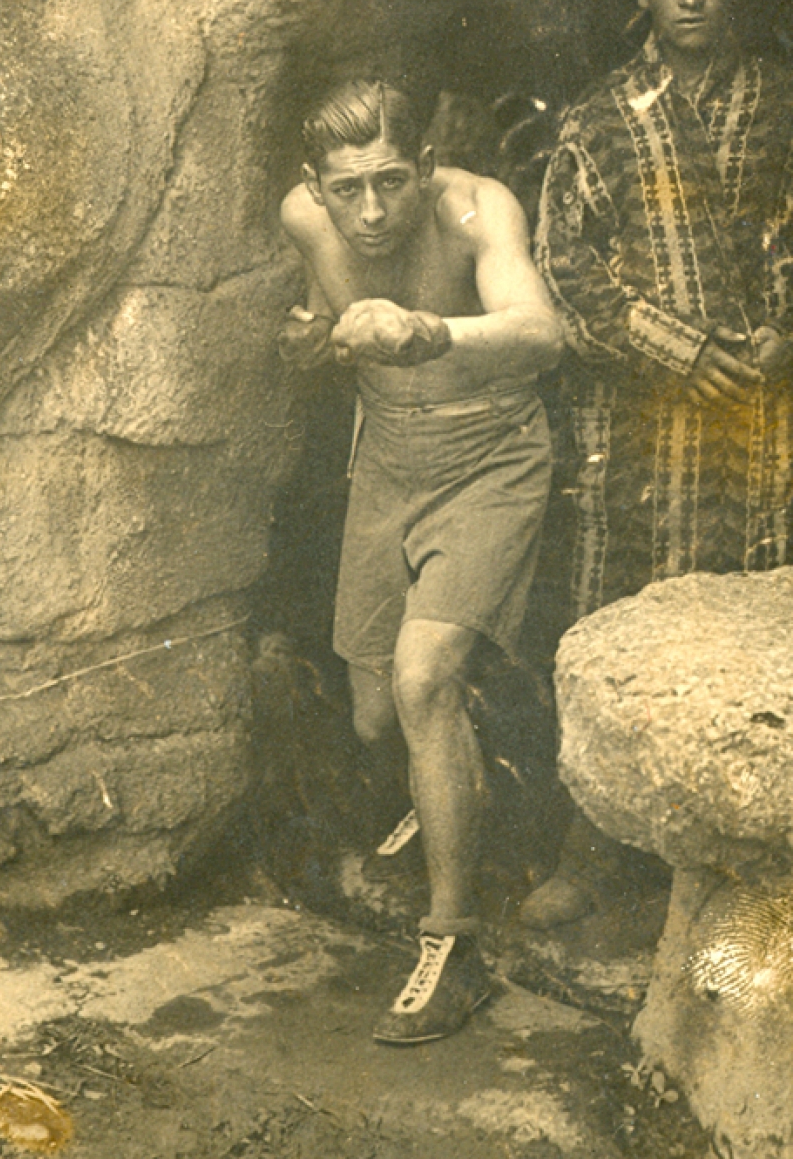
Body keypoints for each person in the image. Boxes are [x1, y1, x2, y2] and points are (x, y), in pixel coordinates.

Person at [525, 0, 793, 928]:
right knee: (621, 621)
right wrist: (675, 349)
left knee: (755, 627)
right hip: (645, 427)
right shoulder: (598, 119)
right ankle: (591, 851)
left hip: (765, 417)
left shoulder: (779, 101)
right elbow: (566, 265)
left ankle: (748, 880)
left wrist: (781, 331)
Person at [278, 79, 563, 1042]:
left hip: (490, 458)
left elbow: (540, 332)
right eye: (347, 189)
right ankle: (473, 776)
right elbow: (322, 321)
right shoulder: (303, 220)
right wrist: (311, 336)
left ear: (426, 167)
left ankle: (456, 945)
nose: (371, 211)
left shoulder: (478, 208)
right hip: (387, 463)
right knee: (375, 714)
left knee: (421, 679)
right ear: (314, 185)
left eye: (392, 182)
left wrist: (428, 330)